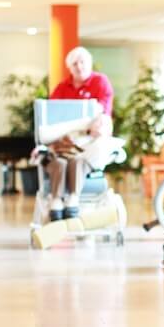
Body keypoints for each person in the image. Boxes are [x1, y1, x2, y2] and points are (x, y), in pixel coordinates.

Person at [45, 47, 114, 217]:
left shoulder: (100, 81)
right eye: (75, 63)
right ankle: (56, 200)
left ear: (89, 64)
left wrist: (99, 123)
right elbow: (51, 113)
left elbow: (105, 108)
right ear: (69, 67)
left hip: (91, 138)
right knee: (60, 161)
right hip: (67, 139)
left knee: (78, 161)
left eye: (83, 62)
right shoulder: (62, 87)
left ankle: (73, 198)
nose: (79, 66)